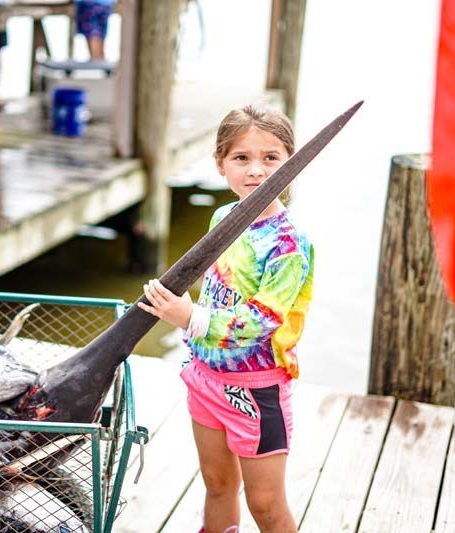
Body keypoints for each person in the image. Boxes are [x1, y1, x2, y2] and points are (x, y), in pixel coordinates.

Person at [137, 105, 313, 533]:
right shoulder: (222, 219)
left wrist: (188, 317)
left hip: (256, 390)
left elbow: (262, 320)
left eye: (271, 158)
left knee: (266, 503)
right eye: (241, 158)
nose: (257, 171)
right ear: (220, 164)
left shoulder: (289, 244)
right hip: (206, 376)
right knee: (217, 485)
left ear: (292, 162)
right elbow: (215, 290)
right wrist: (172, 302)